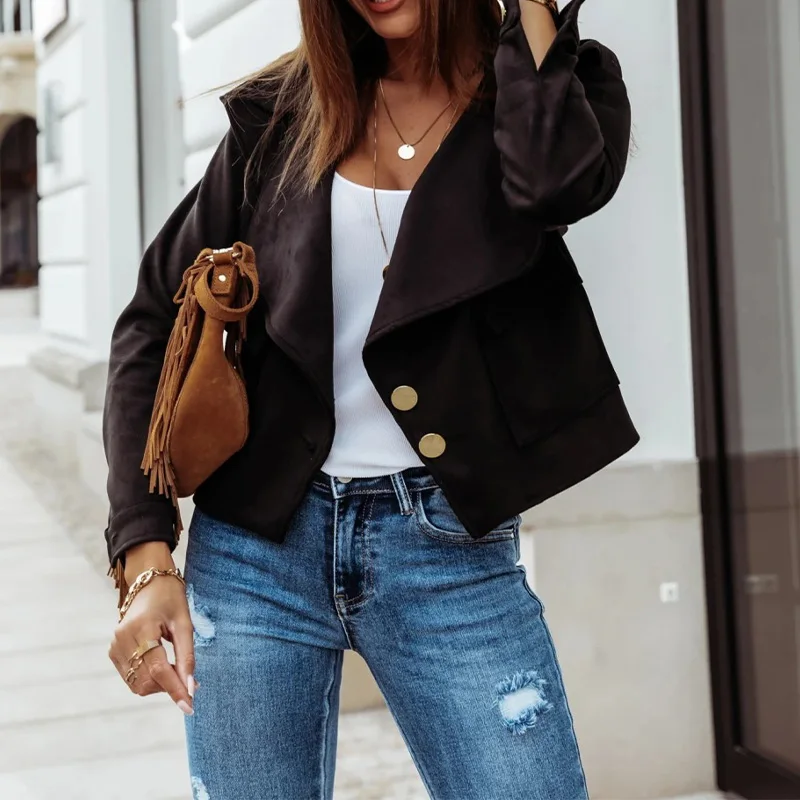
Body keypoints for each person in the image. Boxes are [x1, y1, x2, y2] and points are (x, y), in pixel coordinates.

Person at [104, 0, 637, 797]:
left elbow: (552, 187)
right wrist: (145, 551)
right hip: (255, 555)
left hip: (446, 552)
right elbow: (153, 318)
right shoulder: (285, 116)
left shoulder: (540, 98)